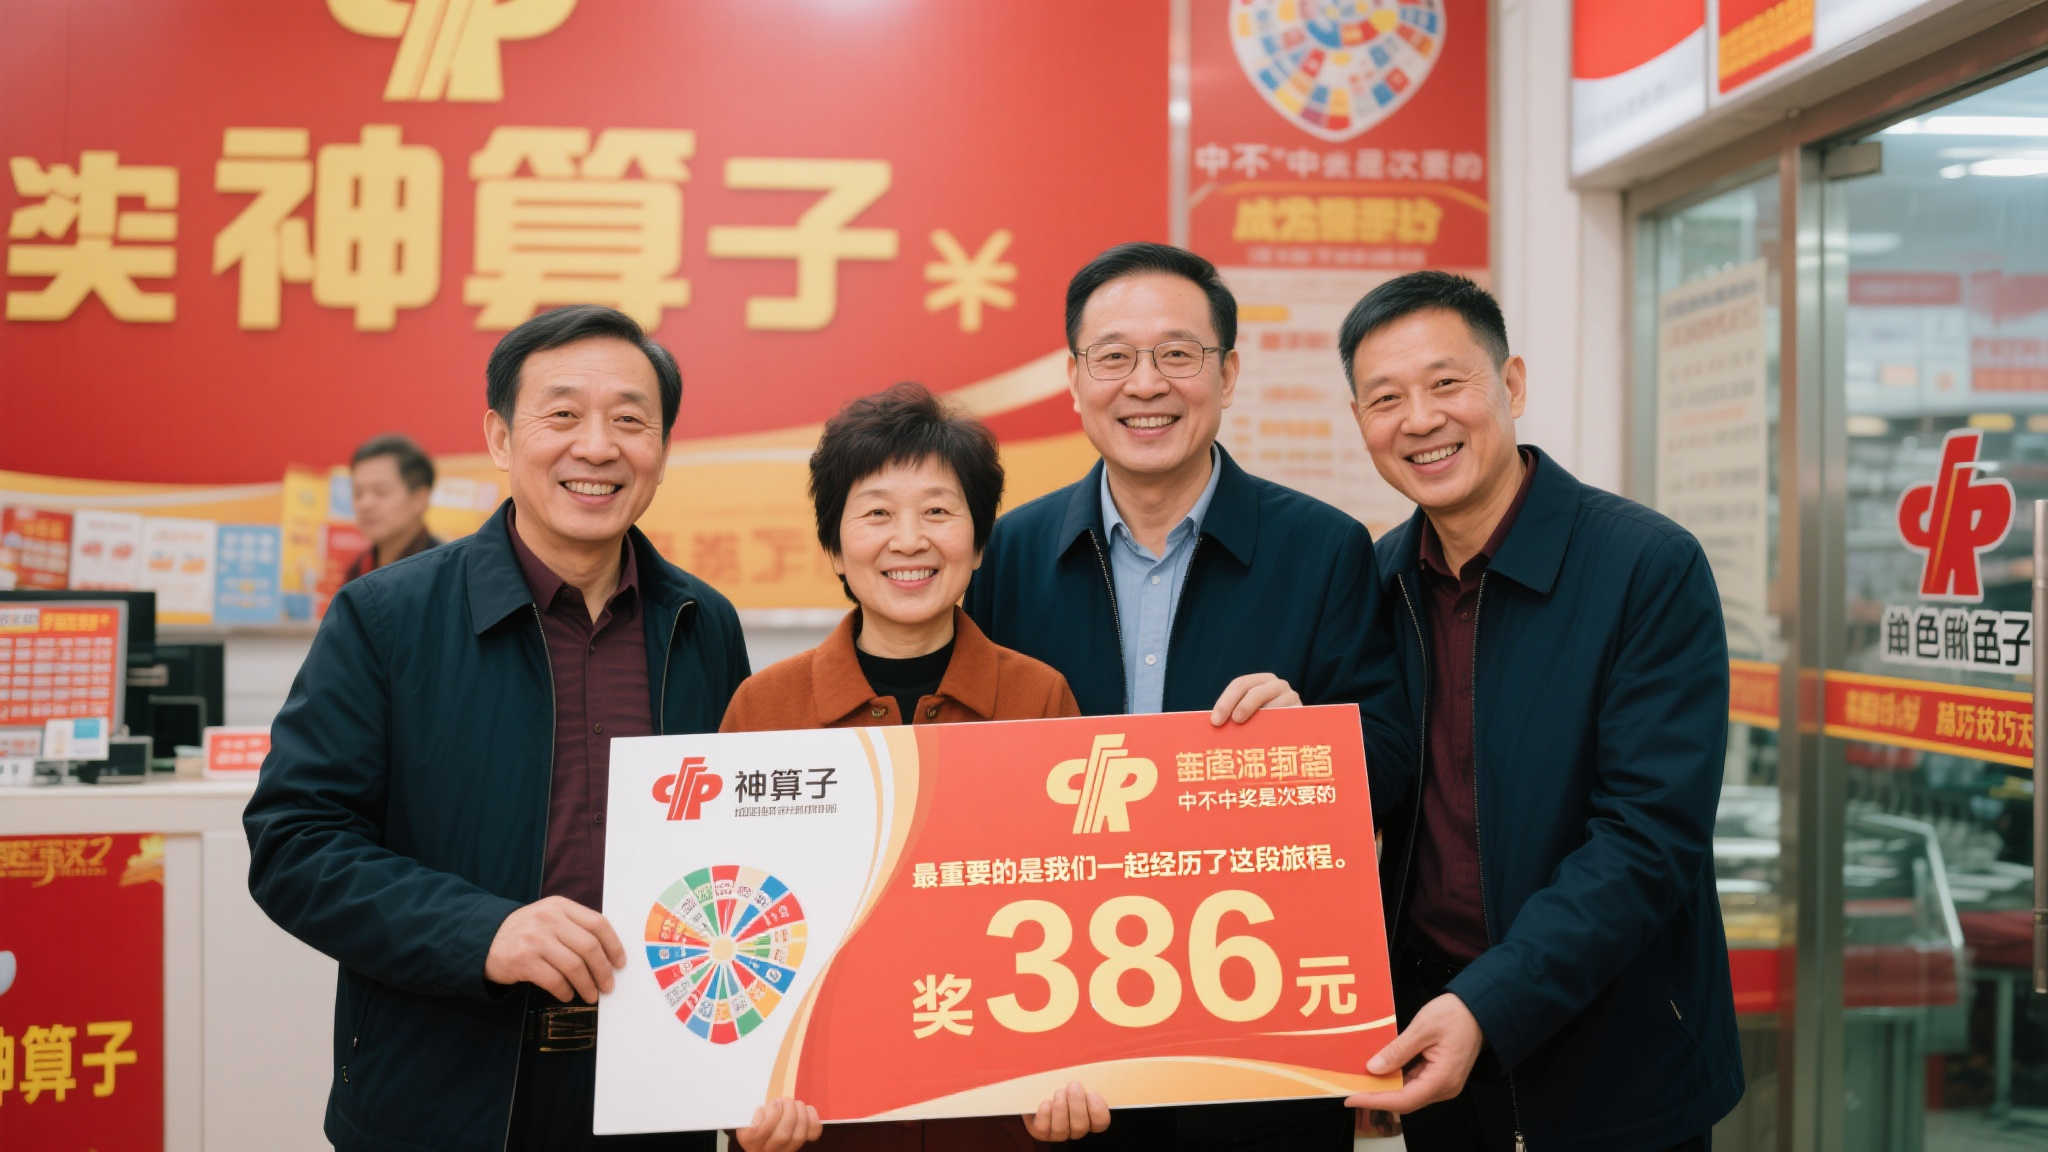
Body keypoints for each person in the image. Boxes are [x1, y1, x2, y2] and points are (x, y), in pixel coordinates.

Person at [245, 306, 777, 1152]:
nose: (596, 447)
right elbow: (295, 844)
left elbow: (744, 854)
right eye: (562, 415)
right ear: (499, 437)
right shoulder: (386, 618)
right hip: (442, 1096)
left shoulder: (702, 623)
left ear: (663, 449)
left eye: (629, 421)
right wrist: (480, 930)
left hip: (655, 1092)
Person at [964, 242, 1415, 1151]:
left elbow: (1394, 760)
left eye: (1178, 354)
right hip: (1058, 1032)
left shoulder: (1323, 549)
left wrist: (1310, 743)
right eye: (1114, 357)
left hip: (1256, 1037)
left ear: (1228, 374)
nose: (1146, 384)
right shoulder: (1010, 553)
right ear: (1074, 380)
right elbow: (965, 779)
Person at [1338, 271, 1743, 1151]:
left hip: (1618, 1054)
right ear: (1361, 420)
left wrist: (1490, 1002)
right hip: (1437, 1044)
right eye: (1386, 399)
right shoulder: (1375, 581)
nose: (1420, 419)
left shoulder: (1646, 566)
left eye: (1447, 383)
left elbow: (1648, 837)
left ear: (1511, 384)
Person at [721, 382, 1106, 1149]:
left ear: (979, 543)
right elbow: (732, 929)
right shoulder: (765, 707)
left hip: (1000, 1117)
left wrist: (1079, 1075)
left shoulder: (1039, 697)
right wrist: (742, 1096)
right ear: (834, 546)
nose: (908, 540)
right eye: (876, 514)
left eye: (937, 511)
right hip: (824, 1120)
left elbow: (1085, 913)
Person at [343, 433, 441, 581]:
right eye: (358, 493)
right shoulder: (356, 570)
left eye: (380, 492)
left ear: (420, 499)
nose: (365, 504)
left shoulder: (445, 571)